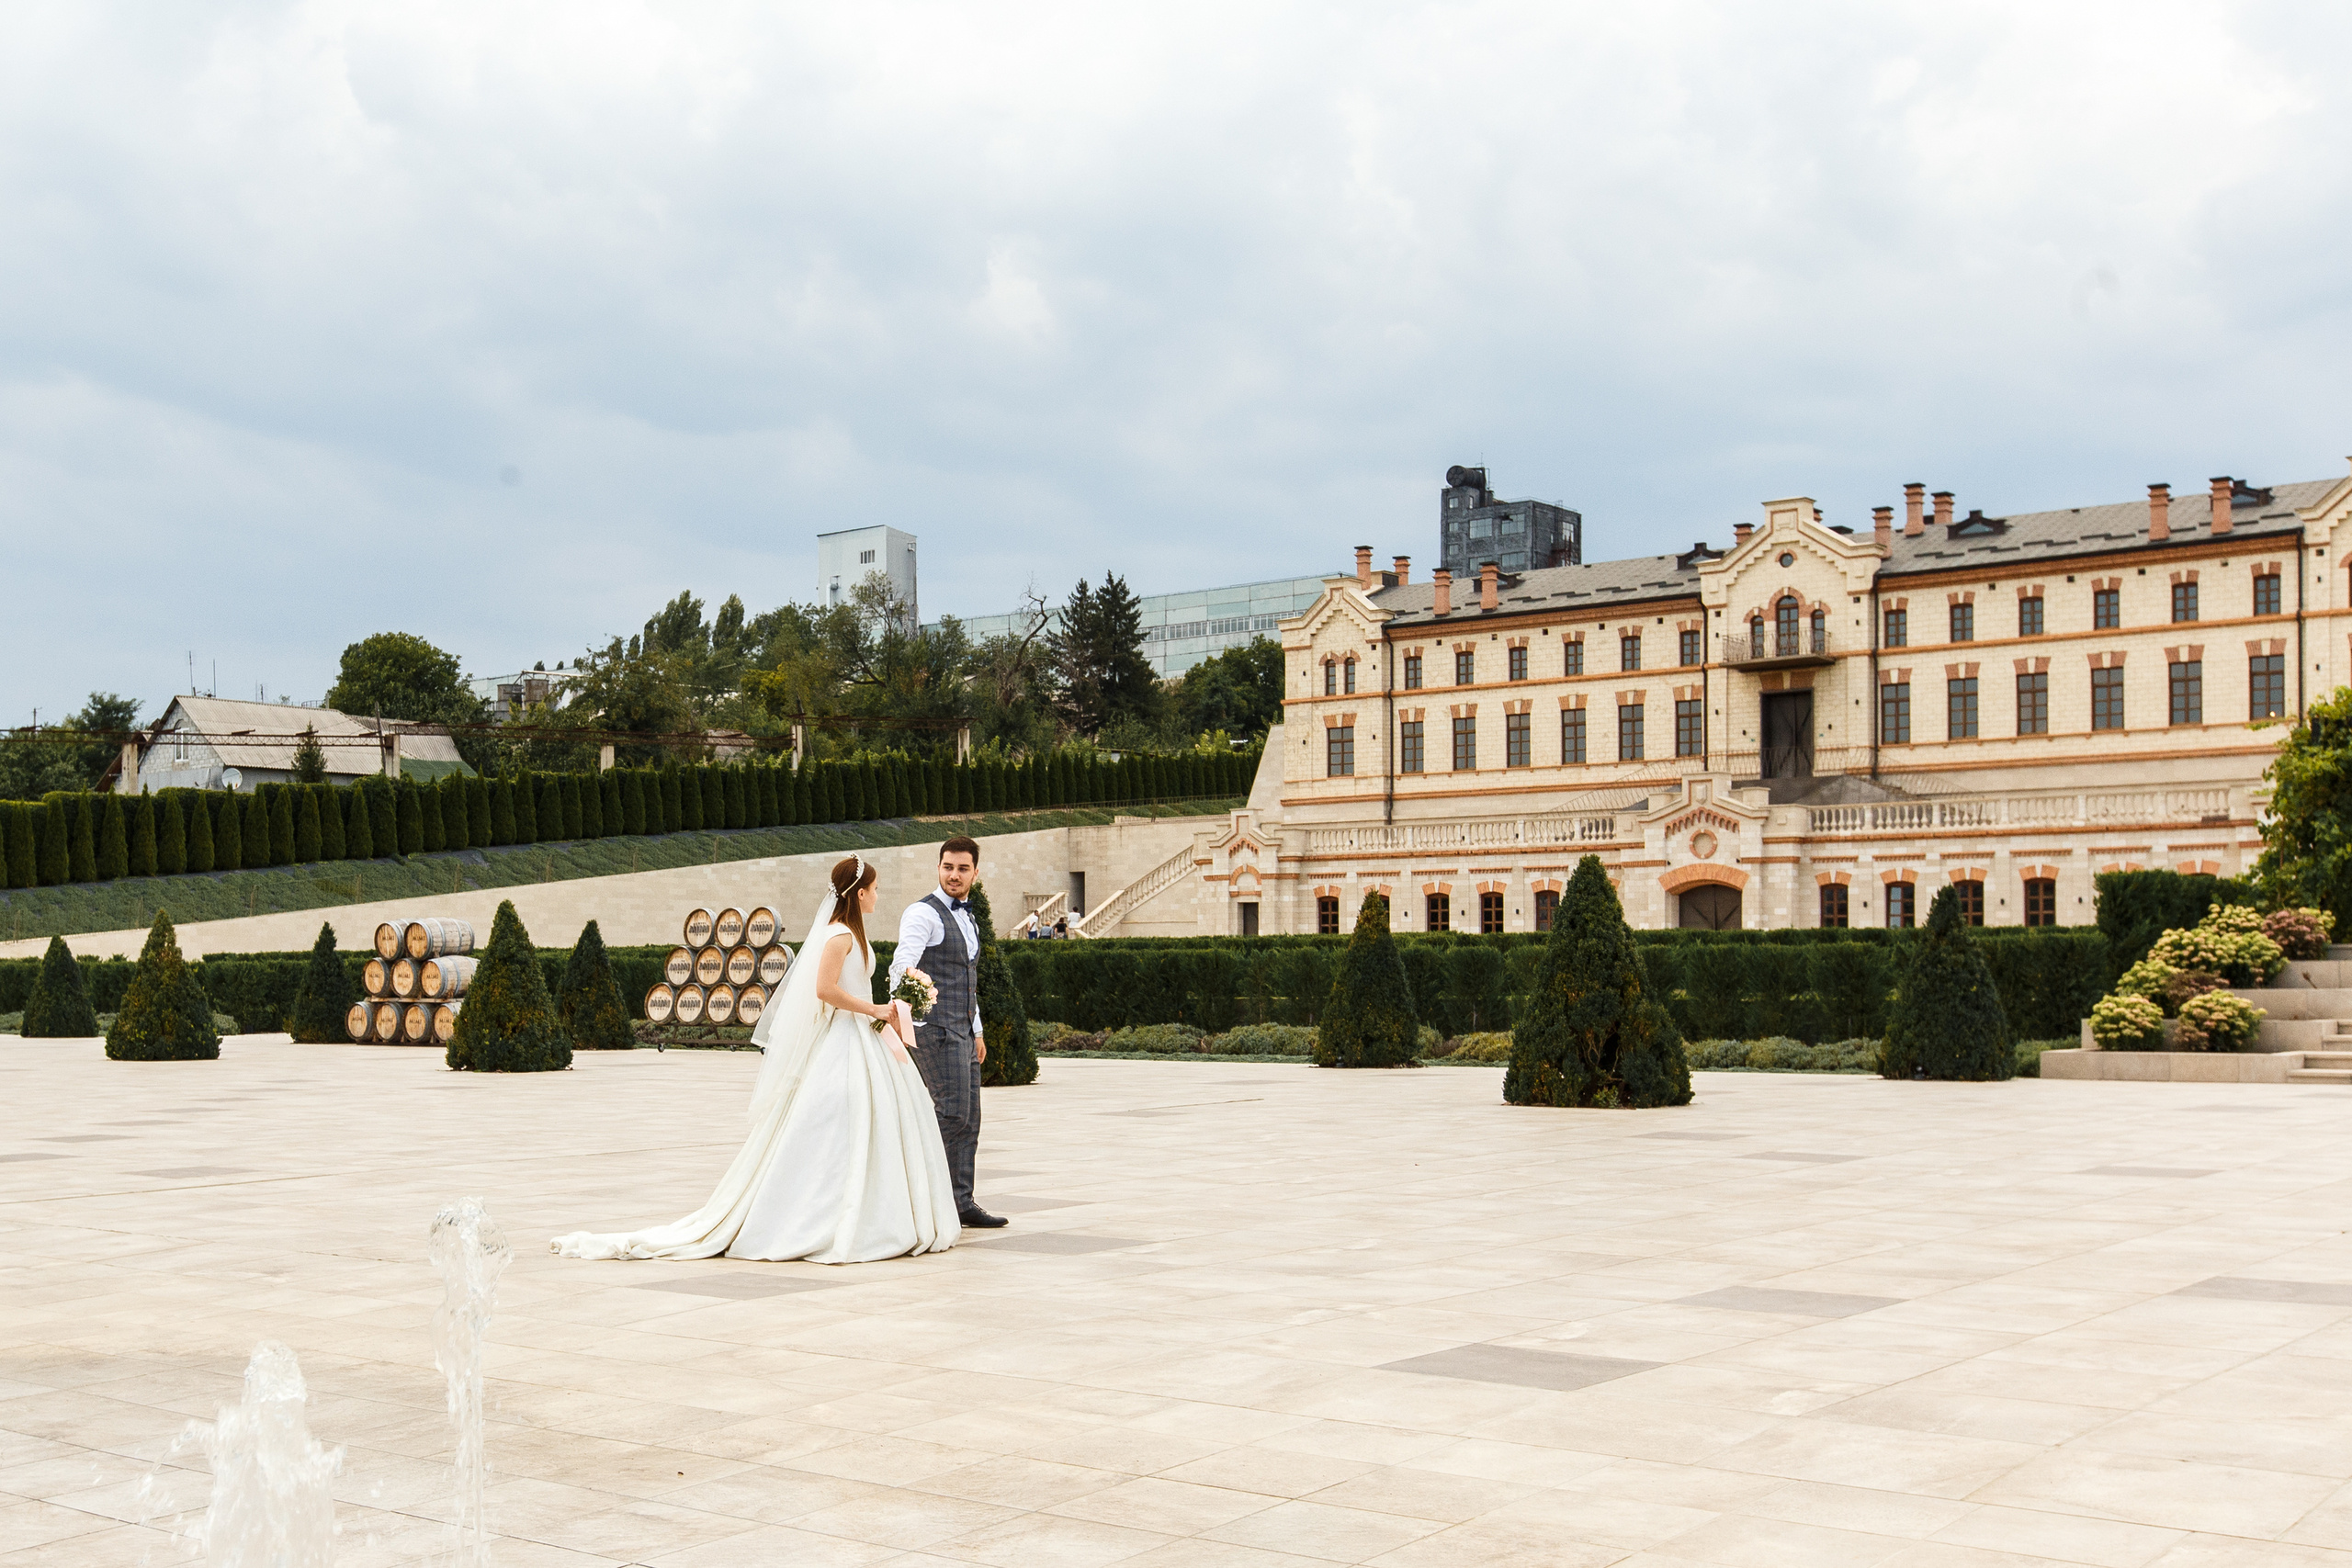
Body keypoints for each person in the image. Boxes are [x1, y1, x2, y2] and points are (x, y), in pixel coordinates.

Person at [549, 854, 958, 1264]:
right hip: (846, 1037)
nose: (878, 896)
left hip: (865, 1039)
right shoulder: (838, 935)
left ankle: (876, 1207)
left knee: (878, 1119)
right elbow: (824, 989)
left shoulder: (853, 932)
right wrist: (872, 1010)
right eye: (875, 889)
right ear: (860, 893)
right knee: (843, 1119)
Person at [889, 836, 1007, 1229]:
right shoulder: (922, 913)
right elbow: (903, 963)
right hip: (934, 1029)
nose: (954, 875)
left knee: (969, 1118)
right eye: (947, 867)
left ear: (976, 872)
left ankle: (960, 1202)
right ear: (938, 867)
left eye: (962, 868)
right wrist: (908, 1012)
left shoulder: (967, 916)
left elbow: (967, 979)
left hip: (962, 1028)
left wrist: (977, 1031)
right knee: (952, 1112)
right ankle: (917, 1198)